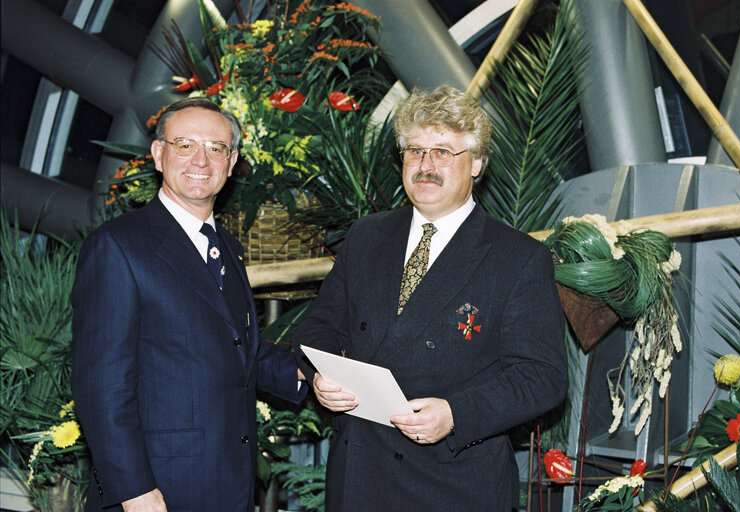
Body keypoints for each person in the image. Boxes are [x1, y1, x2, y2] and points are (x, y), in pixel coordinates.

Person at [293, 85, 568, 511]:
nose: (425, 165)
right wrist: (320, 377)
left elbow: (543, 376)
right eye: (415, 151)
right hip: (360, 477)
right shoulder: (367, 235)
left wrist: (457, 414)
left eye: (443, 152)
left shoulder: (518, 257)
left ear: (477, 163)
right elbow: (318, 327)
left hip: (453, 482)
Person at [71, 97, 306, 512]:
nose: (201, 160)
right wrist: (134, 491)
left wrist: (312, 373)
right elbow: (101, 386)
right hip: (155, 491)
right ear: (159, 154)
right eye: (185, 145)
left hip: (227, 483)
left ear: (231, 163)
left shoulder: (227, 248)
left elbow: (237, 348)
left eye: (216, 148)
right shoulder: (118, 246)